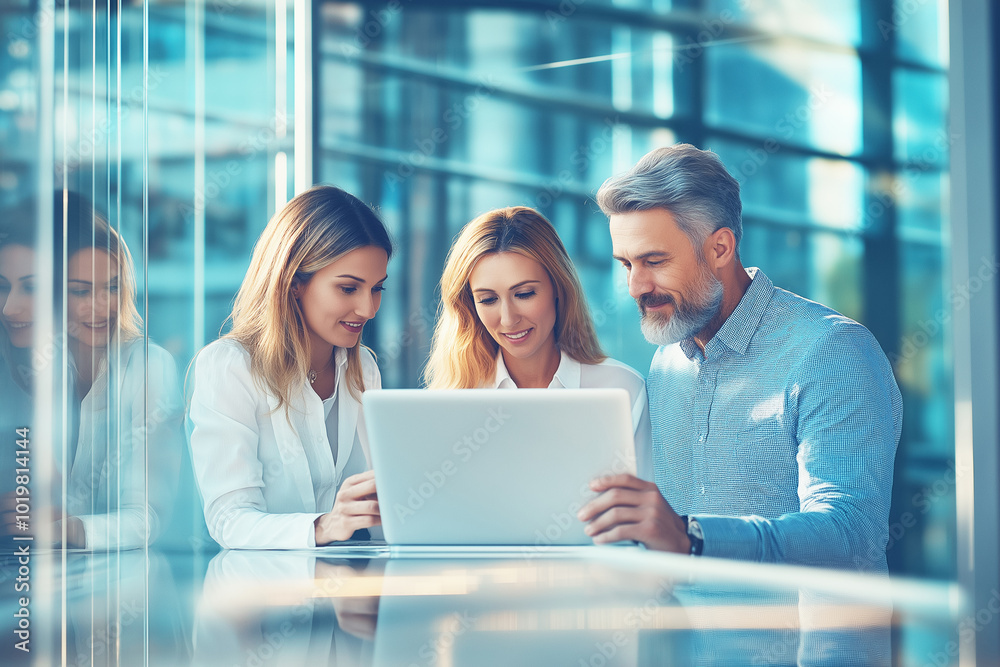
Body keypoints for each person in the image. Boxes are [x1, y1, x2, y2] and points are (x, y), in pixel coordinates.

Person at [578, 144, 901, 572]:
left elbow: (851, 532)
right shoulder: (667, 362)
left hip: (804, 640)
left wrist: (692, 536)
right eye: (626, 264)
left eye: (654, 261)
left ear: (720, 248)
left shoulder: (832, 351)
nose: (636, 286)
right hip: (682, 635)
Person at [187, 185, 392, 549]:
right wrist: (324, 527)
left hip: (343, 588)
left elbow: (378, 508)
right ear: (294, 282)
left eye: (377, 288)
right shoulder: (230, 367)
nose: (368, 309)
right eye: (348, 288)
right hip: (265, 594)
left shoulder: (363, 368)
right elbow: (229, 519)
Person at [0, 192, 182, 550]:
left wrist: (67, 529)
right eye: (80, 291)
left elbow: (147, 516)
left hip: (122, 588)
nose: (100, 307)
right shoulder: (27, 366)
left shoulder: (148, 368)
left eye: (111, 288)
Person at [424, 206, 651, 478]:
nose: (508, 320)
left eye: (524, 294)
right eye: (488, 299)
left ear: (558, 286)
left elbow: (644, 511)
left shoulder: (622, 390)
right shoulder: (451, 402)